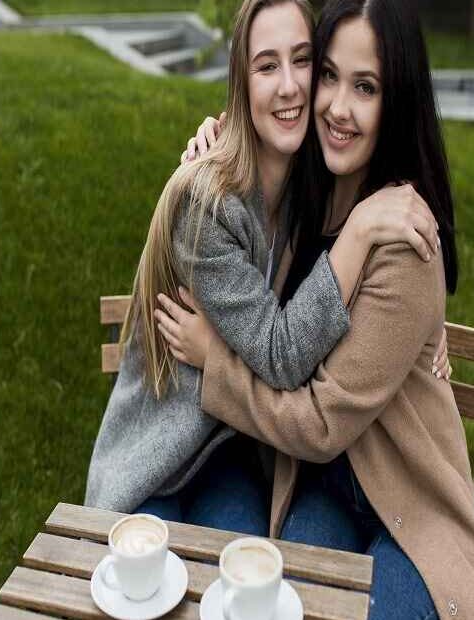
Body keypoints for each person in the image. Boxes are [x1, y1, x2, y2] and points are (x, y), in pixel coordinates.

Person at [157, 0, 474, 618]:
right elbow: (255, 151)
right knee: (280, 599)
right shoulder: (309, 190)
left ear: (398, 103)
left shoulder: (399, 238)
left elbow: (317, 427)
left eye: (365, 87)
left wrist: (216, 365)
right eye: (331, 76)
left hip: (407, 513)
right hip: (326, 489)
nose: (337, 106)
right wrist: (219, 132)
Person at [85, 0, 446, 539]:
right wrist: (361, 230)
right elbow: (281, 357)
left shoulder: (310, 180)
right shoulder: (208, 206)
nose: (290, 87)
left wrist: (432, 318)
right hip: (154, 468)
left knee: (246, 585)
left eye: (303, 62)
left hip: (231, 458)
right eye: (266, 66)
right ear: (240, 81)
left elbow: (401, 250)